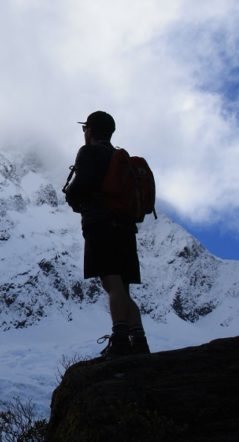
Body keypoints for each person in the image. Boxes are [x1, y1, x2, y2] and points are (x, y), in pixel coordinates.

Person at [63, 110, 150, 357]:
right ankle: (139, 340)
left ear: (90, 130)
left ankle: (121, 338)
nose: (84, 133)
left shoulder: (89, 153)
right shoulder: (118, 157)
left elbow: (82, 186)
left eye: (85, 128)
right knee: (123, 286)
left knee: (111, 283)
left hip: (101, 225)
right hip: (125, 228)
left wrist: (71, 194)